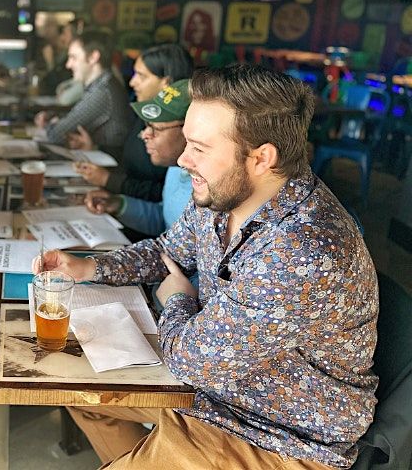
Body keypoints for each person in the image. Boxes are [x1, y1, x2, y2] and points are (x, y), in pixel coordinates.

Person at [35, 64, 378, 469]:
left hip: (274, 434)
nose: (183, 160)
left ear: (261, 158)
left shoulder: (303, 250)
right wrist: (89, 268)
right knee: (77, 394)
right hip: (213, 393)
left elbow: (190, 361)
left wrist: (178, 300)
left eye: (199, 147)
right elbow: (168, 251)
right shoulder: (225, 193)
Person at [74, 44, 195, 202]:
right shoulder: (144, 113)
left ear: (166, 83)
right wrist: (94, 150)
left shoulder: (179, 132)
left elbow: (165, 195)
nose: (132, 82)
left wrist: (109, 181)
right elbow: (130, 162)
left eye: (141, 76)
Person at [85, 79, 192, 238]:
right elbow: (164, 221)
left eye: (157, 128)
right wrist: (119, 204)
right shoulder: (175, 168)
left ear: (191, 131)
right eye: (147, 125)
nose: (145, 135)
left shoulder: (208, 191)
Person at [34, 29, 132, 159]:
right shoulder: (103, 84)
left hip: (109, 167)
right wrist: (54, 118)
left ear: (93, 57)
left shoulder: (102, 91)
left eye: (73, 57)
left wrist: (49, 124)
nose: (68, 65)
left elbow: (56, 135)